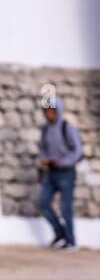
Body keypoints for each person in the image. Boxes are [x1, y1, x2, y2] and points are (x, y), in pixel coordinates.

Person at [37, 98, 84, 251]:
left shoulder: (66, 128)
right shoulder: (45, 129)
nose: (49, 114)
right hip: (51, 171)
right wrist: (44, 158)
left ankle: (70, 241)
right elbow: (43, 147)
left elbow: (77, 151)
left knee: (65, 207)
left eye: (52, 111)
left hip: (66, 172)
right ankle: (60, 233)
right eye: (47, 111)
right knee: (43, 203)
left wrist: (62, 162)